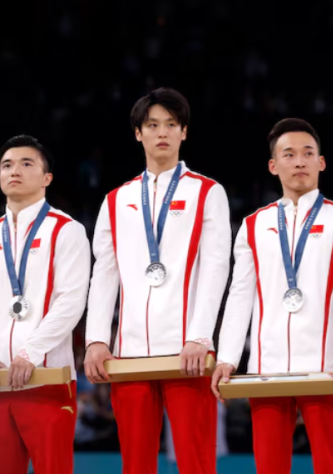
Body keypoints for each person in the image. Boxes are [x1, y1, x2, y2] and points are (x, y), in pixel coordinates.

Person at [211, 118, 333, 474]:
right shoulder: (253, 225)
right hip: (266, 372)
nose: (300, 161)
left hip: (326, 368)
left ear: (321, 162)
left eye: (308, 153)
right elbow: (240, 296)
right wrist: (227, 358)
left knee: (332, 467)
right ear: (273, 165)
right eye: (289, 154)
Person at [84, 87, 231, 474]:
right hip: (129, 354)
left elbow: (216, 267)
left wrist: (200, 336)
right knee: (135, 464)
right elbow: (104, 273)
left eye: (170, 124)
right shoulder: (116, 200)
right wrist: (97, 339)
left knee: (197, 463)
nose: (162, 132)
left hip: (187, 352)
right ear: (138, 133)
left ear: (184, 132)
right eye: (152, 125)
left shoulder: (207, 192)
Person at [0, 135, 91, 473]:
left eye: (26, 163)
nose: (14, 170)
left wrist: (30, 352)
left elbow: (71, 301)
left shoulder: (67, 231)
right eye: (6, 165)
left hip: (47, 381)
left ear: (47, 178)